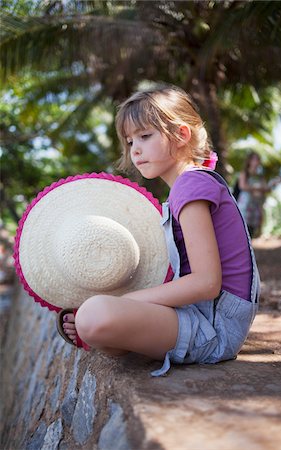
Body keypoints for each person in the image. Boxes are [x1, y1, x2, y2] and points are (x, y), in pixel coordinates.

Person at [60, 85, 260, 377]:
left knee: (94, 313)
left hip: (215, 328)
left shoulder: (191, 186)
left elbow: (207, 283)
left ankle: (98, 325)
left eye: (144, 136)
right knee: (99, 314)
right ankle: (106, 331)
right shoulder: (187, 186)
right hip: (202, 316)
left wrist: (124, 302)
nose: (135, 149)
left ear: (181, 135)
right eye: (129, 141)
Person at [237, 152, 269, 238]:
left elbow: (266, 188)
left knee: (252, 227)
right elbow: (242, 186)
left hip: (256, 203)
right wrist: (256, 189)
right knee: (244, 226)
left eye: (257, 159)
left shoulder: (260, 175)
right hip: (246, 202)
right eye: (254, 159)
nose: (256, 162)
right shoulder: (245, 173)